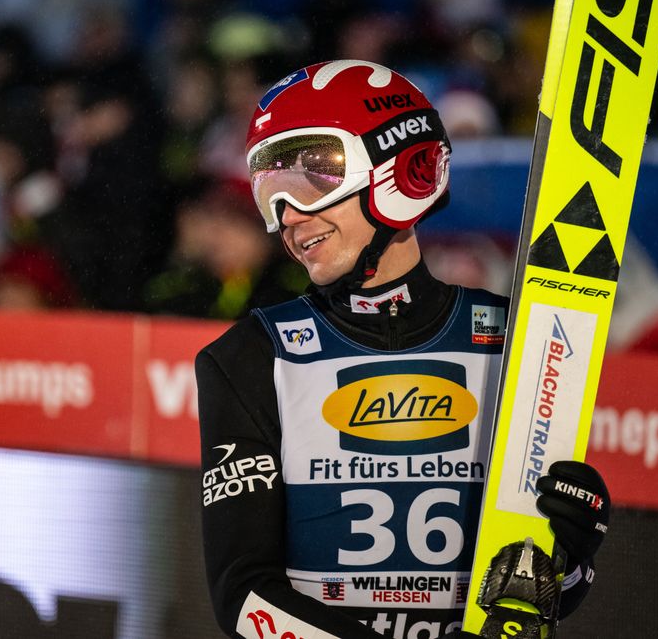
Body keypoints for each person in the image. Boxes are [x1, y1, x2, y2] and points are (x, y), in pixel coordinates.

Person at [196, 60, 610, 639]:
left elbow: (533, 595)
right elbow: (243, 598)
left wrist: (571, 558)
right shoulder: (250, 358)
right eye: (271, 192)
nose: (287, 216)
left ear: (400, 170)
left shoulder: (520, 342)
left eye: (314, 178)